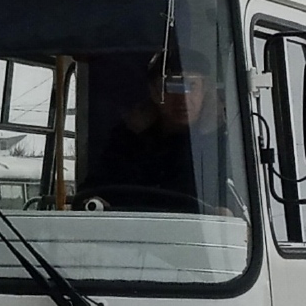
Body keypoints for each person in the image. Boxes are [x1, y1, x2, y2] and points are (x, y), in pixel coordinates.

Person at [80, 48, 227, 212]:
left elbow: (241, 204)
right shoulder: (127, 142)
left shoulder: (223, 143)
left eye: (192, 86)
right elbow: (91, 193)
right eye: (171, 87)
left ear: (205, 90)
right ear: (155, 92)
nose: (183, 98)